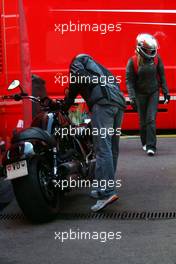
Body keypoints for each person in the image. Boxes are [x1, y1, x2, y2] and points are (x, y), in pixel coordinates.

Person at [62, 54, 126, 211]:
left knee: (102, 150)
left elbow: (79, 80)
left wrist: (65, 104)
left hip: (103, 104)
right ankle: (100, 188)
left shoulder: (77, 62)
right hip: (118, 103)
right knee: (111, 149)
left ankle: (107, 192)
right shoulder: (99, 68)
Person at [126, 33, 170, 156]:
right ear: (141, 48)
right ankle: (144, 142)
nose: (151, 53)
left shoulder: (156, 59)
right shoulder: (133, 62)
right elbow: (129, 81)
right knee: (142, 121)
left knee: (150, 119)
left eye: (152, 51)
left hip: (153, 93)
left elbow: (161, 75)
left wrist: (165, 91)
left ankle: (151, 146)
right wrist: (132, 97)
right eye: (148, 51)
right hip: (140, 95)